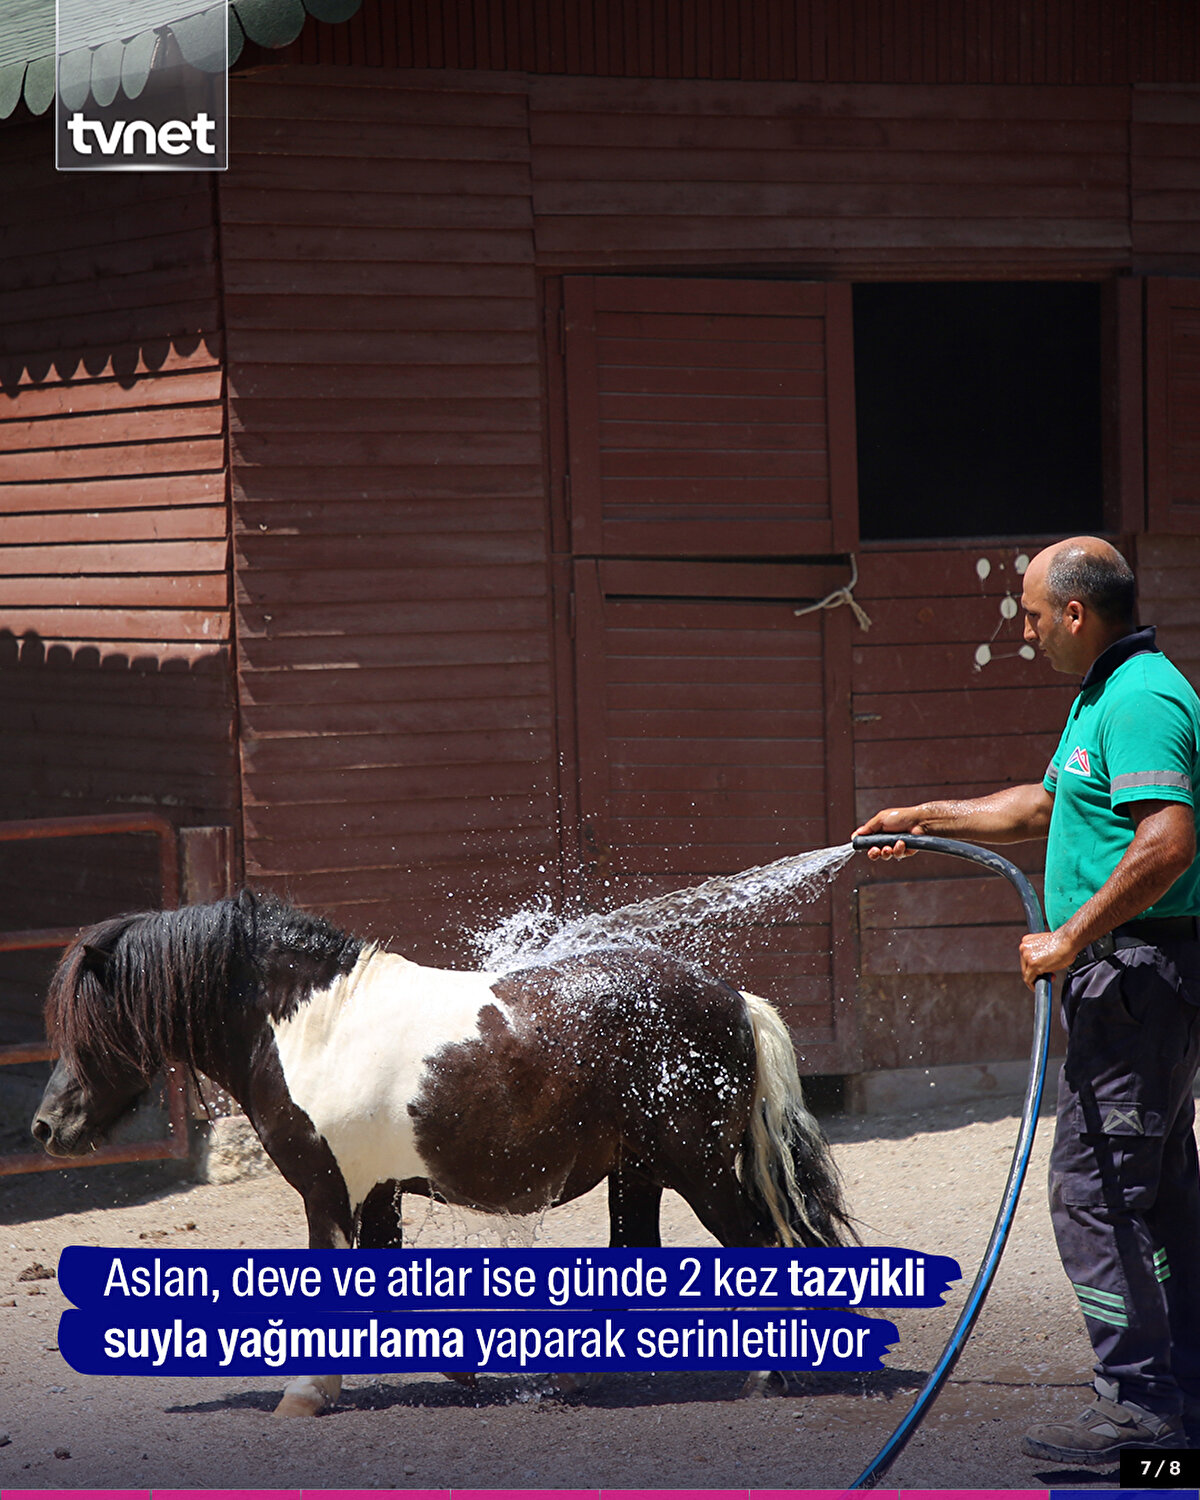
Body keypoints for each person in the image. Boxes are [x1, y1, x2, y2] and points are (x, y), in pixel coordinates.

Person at [855, 536, 1200, 1464]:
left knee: (1095, 1197)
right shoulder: (1102, 696)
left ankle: (1139, 1411)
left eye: (1034, 613)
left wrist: (1069, 936)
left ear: (1078, 614)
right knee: (1158, 1196)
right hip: (1127, 985)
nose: (1028, 629)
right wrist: (924, 818)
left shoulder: (1145, 700)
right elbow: (1044, 808)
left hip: (1133, 982)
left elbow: (1170, 842)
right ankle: (1182, 1405)